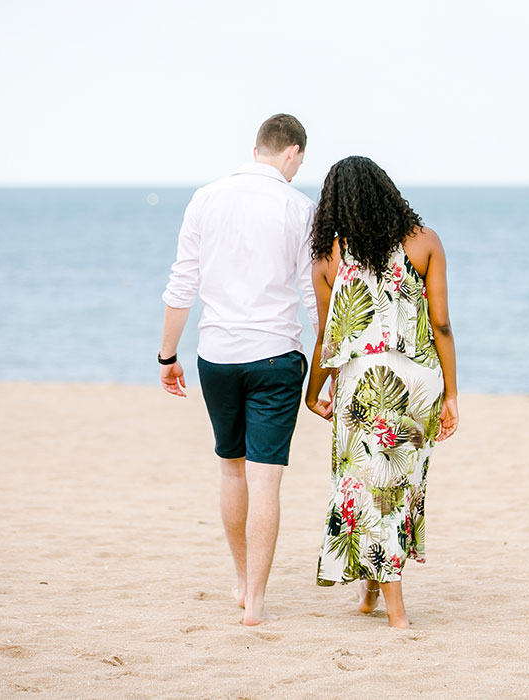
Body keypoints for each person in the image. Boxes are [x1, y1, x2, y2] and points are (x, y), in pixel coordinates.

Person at [159, 114, 317, 626]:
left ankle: (240, 580)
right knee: (265, 480)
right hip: (276, 355)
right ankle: (257, 600)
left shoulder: (205, 198)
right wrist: (329, 361)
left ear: (256, 149)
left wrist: (167, 355)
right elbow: (314, 296)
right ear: (291, 152)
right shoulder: (299, 206)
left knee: (230, 468)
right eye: (299, 161)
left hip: (218, 356)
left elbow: (183, 281)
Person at [305, 155, 459, 629]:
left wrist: (314, 393)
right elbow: (441, 324)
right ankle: (374, 595)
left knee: (370, 488)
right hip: (417, 382)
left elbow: (327, 336)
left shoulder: (329, 258)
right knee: (396, 487)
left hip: (362, 385)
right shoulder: (425, 242)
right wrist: (452, 394)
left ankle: (396, 612)